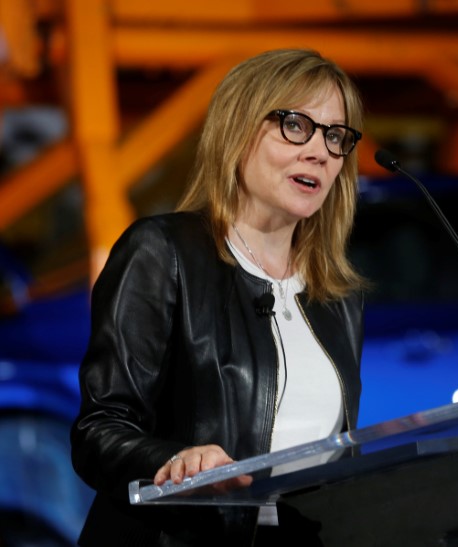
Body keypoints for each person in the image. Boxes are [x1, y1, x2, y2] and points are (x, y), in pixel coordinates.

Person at [70, 48, 366, 546]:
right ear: (238, 128)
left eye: (335, 136)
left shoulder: (336, 297)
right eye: (296, 125)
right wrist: (169, 460)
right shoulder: (163, 252)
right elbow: (99, 430)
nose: (319, 151)